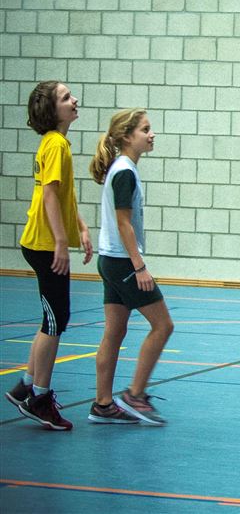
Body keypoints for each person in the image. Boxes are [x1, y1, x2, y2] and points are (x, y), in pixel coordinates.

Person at [5, 81, 93, 431]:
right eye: (66, 97)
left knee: (53, 318)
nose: (74, 99)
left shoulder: (55, 143)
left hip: (41, 241)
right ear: (51, 110)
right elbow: (50, 196)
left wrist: (80, 227)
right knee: (56, 321)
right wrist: (60, 241)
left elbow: (62, 193)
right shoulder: (55, 144)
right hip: (43, 244)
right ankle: (39, 398)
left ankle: (26, 385)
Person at [87, 108, 173, 426]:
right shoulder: (124, 171)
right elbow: (123, 223)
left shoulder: (122, 169)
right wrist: (139, 266)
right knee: (163, 326)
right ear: (127, 136)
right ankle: (135, 395)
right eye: (145, 129)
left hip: (110, 260)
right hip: (122, 262)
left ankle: (103, 404)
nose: (152, 134)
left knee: (114, 332)